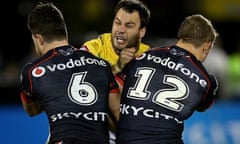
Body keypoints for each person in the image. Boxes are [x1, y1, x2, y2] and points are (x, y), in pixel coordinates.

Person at [20, 2, 120, 144]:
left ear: (39, 39)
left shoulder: (32, 72)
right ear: (64, 32)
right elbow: (118, 117)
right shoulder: (102, 65)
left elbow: (32, 111)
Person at [115, 14, 219, 144]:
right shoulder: (204, 79)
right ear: (207, 46)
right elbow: (202, 106)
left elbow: (115, 88)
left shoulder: (143, 57)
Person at [82, 0, 151, 74]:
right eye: (117, 23)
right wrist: (117, 67)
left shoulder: (148, 55)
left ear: (141, 32)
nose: (121, 30)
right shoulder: (93, 49)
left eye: (129, 26)